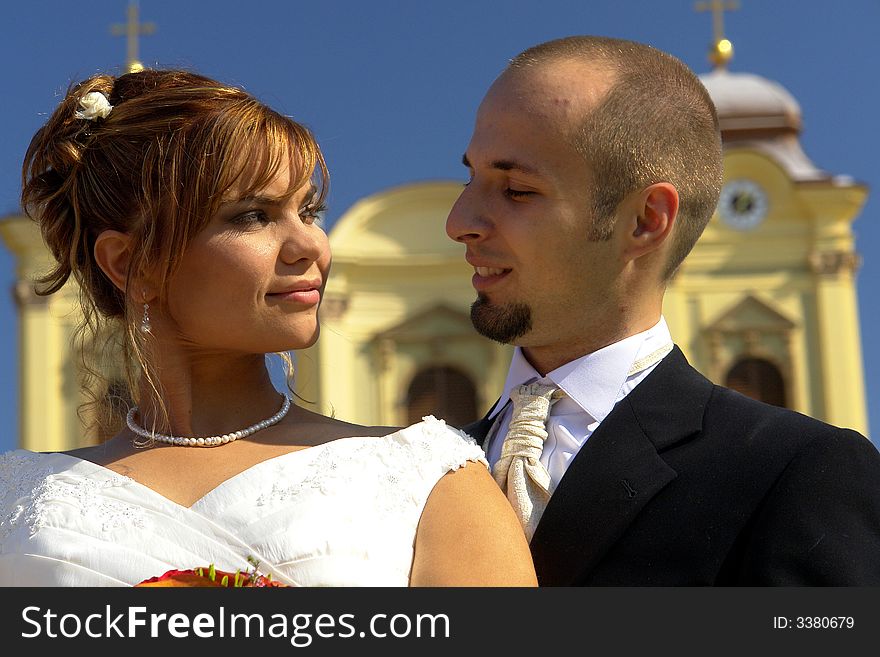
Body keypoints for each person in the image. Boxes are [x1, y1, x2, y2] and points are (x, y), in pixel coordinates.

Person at [0, 69, 537, 587]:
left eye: (309, 210)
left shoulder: (432, 477)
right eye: (253, 216)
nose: (310, 246)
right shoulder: (15, 499)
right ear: (131, 263)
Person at [446, 35, 880, 585]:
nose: (458, 220)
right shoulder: (413, 467)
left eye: (516, 189)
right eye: (470, 178)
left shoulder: (797, 471)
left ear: (646, 220)